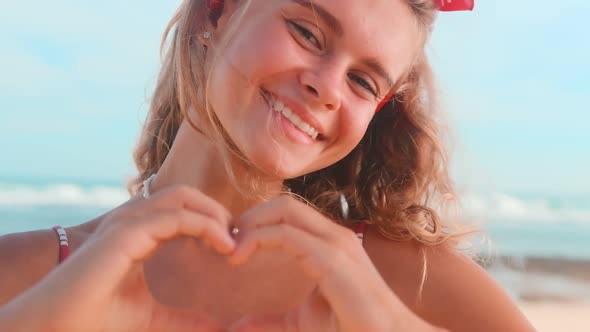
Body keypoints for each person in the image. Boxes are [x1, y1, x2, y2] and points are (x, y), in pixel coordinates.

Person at [0, 0, 535, 331]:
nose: (325, 86)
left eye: (363, 81)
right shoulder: (23, 274)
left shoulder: (414, 282)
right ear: (218, 11)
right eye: (307, 32)